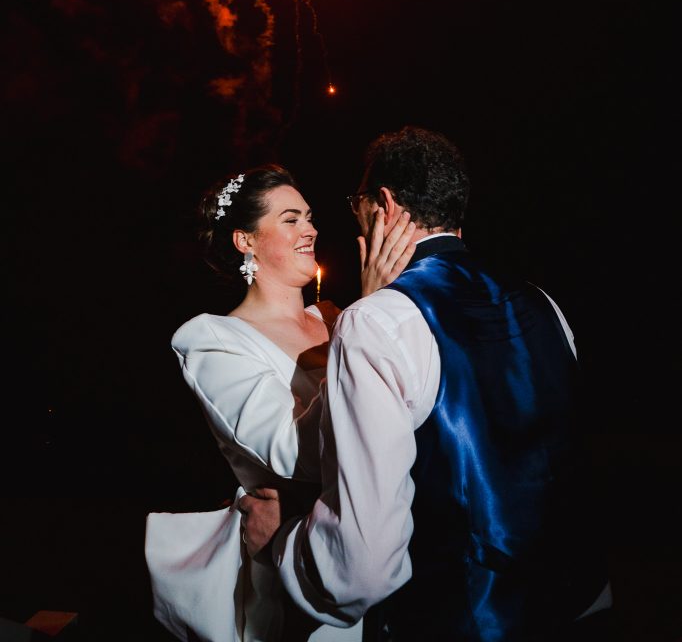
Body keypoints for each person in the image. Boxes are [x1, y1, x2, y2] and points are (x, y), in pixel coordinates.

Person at [243, 128, 612, 641]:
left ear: (385, 206)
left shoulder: (375, 323)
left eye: (358, 203)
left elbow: (364, 562)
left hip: (459, 621)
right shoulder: (543, 303)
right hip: (579, 606)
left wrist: (283, 545)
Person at [145, 164, 416, 642]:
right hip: (301, 573)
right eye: (290, 219)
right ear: (245, 240)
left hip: (392, 549)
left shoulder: (337, 318)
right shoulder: (213, 340)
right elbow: (294, 452)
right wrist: (370, 313)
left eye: (309, 217)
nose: (310, 229)